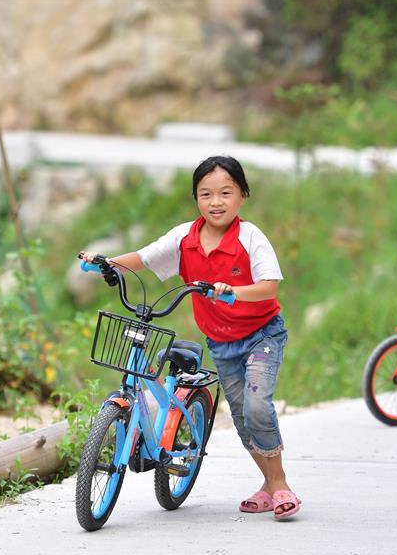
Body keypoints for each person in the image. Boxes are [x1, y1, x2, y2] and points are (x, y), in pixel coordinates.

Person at [80, 156, 301, 518]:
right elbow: (144, 258)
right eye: (206, 194)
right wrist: (105, 262)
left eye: (226, 193)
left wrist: (233, 291)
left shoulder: (250, 237)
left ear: (242, 195)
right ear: (196, 198)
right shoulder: (185, 237)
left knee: (258, 405)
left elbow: (270, 287)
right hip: (221, 341)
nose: (216, 202)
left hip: (262, 335)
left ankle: (280, 486)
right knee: (244, 416)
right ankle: (268, 484)